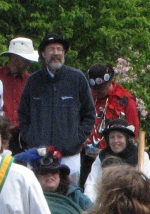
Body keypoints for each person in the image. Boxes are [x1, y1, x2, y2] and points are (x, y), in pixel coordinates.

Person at [18, 33, 95, 182]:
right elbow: (23, 114)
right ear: (43, 54)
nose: (56, 53)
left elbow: (89, 114)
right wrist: (31, 137)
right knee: (37, 196)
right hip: (38, 156)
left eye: (59, 49)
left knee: (69, 197)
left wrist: (75, 139)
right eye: (51, 49)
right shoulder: (33, 81)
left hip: (69, 156)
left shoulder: (77, 78)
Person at [83, 63, 142, 188]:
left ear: (110, 82)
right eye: (95, 89)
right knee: (87, 187)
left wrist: (111, 149)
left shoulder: (125, 99)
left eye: (102, 88)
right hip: (88, 156)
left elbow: (134, 131)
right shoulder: (90, 97)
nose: (98, 92)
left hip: (115, 157)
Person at [83, 118, 150, 204]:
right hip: (105, 202)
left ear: (127, 138)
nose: (115, 141)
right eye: (112, 137)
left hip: (133, 202)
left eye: (119, 136)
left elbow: (144, 184)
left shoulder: (141, 156)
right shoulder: (102, 156)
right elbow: (92, 183)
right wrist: (89, 202)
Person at [0, 37, 39, 153]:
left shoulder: (31, 80)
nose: (29, 63)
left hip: (23, 137)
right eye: (26, 60)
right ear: (15, 58)